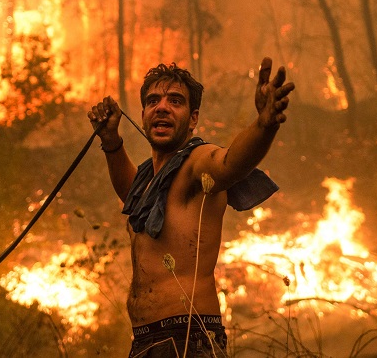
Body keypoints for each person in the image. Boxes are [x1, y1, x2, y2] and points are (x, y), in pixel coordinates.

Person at [88, 57, 294, 357]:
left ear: (193, 118)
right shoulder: (149, 180)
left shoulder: (196, 162)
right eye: (153, 101)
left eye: (175, 101)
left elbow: (228, 164)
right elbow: (130, 194)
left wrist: (265, 124)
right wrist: (111, 141)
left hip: (188, 336)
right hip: (146, 341)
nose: (162, 107)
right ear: (144, 114)